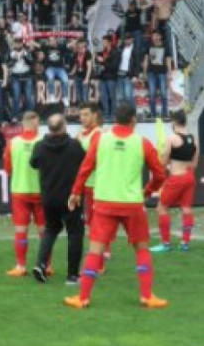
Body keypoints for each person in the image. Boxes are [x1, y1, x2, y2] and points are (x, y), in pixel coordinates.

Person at [65, 102, 168, 309]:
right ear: (133, 120)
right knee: (142, 250)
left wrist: (75, 192)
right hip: (132, 204)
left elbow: (85, 168)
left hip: (105, 203)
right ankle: (147, 296)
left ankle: (83, 298)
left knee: (95, 251)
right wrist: (148, 191)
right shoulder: (142, 143)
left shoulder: (101, 140)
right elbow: (160, 174)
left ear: (115, 119)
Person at [30, 114, 86, 284]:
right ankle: (72, 275)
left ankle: (41, 264)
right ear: (64, 126)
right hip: (70, 197)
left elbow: (33, 163)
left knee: (51, 229)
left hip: (49, 196)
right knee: (75, 233)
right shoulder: (74, 145)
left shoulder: (40, 146)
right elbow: (85, 161)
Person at [3, 111, 45, 277]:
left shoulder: (13, 143)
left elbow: (8, 167)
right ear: (35, 123)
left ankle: (20, 266)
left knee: (21, 230)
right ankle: (46, 265)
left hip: (20, 190)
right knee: (43, 230)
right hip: (40, 191)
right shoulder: (43, 141)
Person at [151, 111, 198, 253]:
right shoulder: (194, 139)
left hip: (177, 178)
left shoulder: (171, 139)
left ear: (175, 122)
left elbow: (163, 163)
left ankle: (166, 244)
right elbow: (194, 164)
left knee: (161, 208)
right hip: (189, 177)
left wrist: (162, 160)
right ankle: (185, 244)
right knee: (186, 208)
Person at [77, 103, 111, 271]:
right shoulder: (82, 134)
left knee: (96, 222)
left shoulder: (98, 134)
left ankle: (99, 260)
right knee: (94, 221)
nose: (82, 118)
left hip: (97, 185)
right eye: (81, 115)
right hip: (89, 184)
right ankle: (104, 251)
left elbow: (95, 161)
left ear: (95, 116)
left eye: (86, 114)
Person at [143, 31, 172, 120]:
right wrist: (144, 73)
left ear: (160, 36)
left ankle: (165, 113)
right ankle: (153, 113)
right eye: (153, 36)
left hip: (162, 72)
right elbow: (146, 60)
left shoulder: (165, 46)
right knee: (152, 93)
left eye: (156, 36)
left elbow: (168, 61)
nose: (154, 37)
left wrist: (169, 74)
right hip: (151, 72)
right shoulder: (149, 46)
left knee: (163, 93)